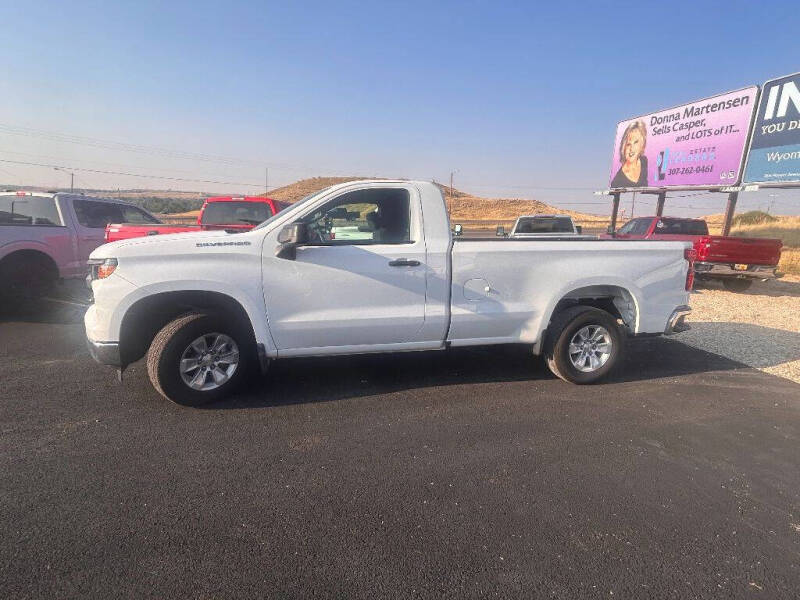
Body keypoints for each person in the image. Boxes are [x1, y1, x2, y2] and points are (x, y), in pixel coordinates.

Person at [611, 120, 648, 188]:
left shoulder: (644, 161)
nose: (631, 148)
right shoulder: (617, 181)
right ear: (623, 147)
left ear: (642, 144)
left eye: (636, 142)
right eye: (628, 144)